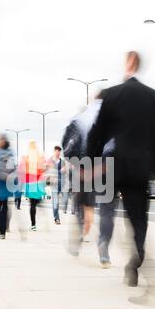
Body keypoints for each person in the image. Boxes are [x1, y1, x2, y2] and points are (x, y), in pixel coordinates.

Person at [87, 51, 155, 285]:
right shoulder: (151, 96)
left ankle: (107, 246)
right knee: (139, 218)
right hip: (140, 167)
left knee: (108, 210)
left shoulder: (112, 94)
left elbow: (97, 132)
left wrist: (91, 162)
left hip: (116, 165)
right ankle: (137, 256)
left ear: (128, 64)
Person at [62, 96, 103, 253]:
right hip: (84, 171)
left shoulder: (80, 124)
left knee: (86, 210)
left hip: (89, 172)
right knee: (84, 208)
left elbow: (66, 147)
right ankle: (77, 238)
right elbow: (67, 147)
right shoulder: (79, 124)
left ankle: (78, 237)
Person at [19, 141, 46, 231]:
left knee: (32, 204)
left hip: (30, 183)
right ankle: (39, 202)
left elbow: (21, 170)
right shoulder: (40, 157)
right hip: (38, 183)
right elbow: (43, 168)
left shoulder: (26, 157)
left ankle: (33, 225)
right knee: (35, 202)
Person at [47, 146, 69, 225]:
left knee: (66, 199)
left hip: (62, 183)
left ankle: (64, 209)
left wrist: (65, 169)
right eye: (56, 151)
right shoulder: (50, 161)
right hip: (54, 184)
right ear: (54, 151)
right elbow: (48, 171)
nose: (58, 153)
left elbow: (65, 171)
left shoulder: (62, 161)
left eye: (59, 151)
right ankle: (57, 218)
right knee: (55, 203)